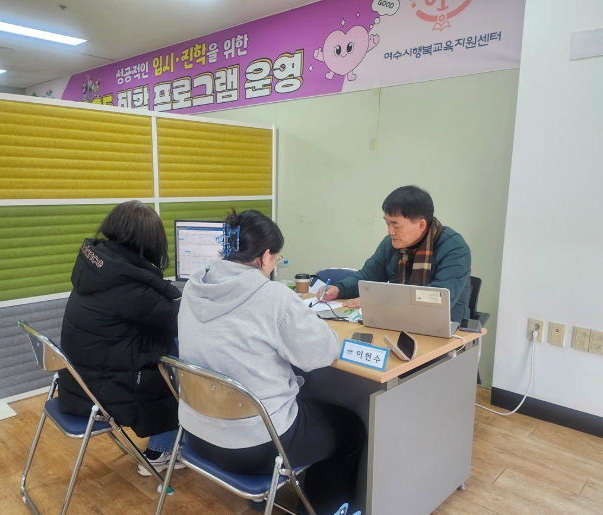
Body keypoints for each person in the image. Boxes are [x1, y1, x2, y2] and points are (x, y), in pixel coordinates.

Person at [178, 209, 366, 515]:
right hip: (256, 447)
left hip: (196, 434)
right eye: (275, 258)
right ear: (266, 256)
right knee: (351, 430)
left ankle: (265, 498)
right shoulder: (273, 296)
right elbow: (322, 353)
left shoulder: (193, 287)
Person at [58, 200, 184, 475]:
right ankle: (162, 450)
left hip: (78, 385)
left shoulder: (100, 266)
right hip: (103, 393)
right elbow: (180, 320)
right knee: (179, 359)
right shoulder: (129, 285)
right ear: (148, 243)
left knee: (169, 348)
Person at [320, 185, 471, 322]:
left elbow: (437, 300)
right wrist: (339, 289)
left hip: (447, 330)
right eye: (387, 223)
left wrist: (379, 301)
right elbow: (367, 277)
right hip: (396, 321)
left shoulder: (454, 249)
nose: (390, 231)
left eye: (396, 226)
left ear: (421, 225)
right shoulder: (390, 244)